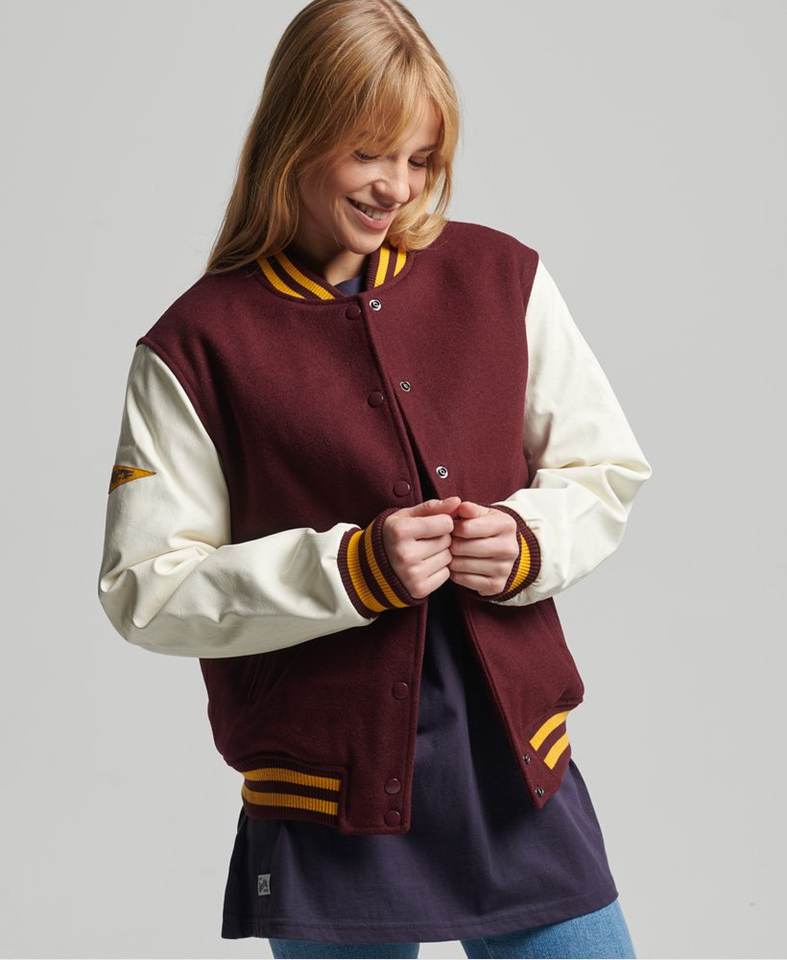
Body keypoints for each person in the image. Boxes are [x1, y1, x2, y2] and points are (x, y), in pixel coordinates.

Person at [97, 1, 652, 956]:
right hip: (324, 797)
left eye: (422, 158)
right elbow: (144, 589)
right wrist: (349, 570)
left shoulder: (502, 277)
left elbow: (602, 468)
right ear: (296, 138)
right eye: (368, 153)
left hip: (515, 770)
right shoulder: (195, 347)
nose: (397, 185)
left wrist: (527, 542)